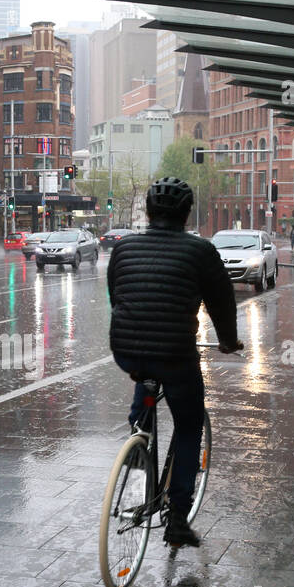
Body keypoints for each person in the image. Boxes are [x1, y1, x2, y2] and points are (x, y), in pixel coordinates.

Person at [107, 177, 243, 548]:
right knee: (188, 425)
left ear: (149, 211)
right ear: (186, 214)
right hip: (175, 354)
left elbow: (117, 297)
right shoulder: (200, 251)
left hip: (126, 350)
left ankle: (139, 434)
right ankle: (178, 519)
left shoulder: (123, 247)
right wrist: (228, 342)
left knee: (146, 370)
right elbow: (221, 304)